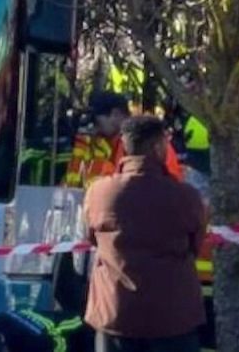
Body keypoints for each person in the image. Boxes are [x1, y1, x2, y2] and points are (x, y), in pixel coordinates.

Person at [83, 116, 206, 352]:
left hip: (115, 314)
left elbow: (91, 239)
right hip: (172, 318)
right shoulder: (185, 197)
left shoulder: (98, 192)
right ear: (158, 147)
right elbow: (195, 244)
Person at [65, 91, 183, 187]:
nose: (94, 125)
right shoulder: (97, 142)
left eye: (96, 119)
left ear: (116, 114)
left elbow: (171, 183)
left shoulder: (147, 138)